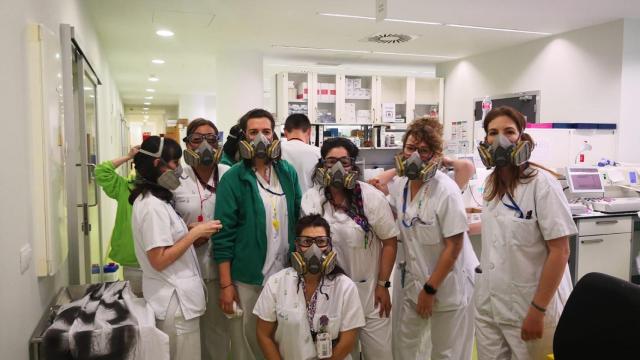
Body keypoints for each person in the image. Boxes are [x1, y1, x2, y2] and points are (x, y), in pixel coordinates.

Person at [474, 106, 576, 360]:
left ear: (521, 138)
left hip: (530, 305)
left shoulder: (542, 184)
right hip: (490, 305)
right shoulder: (490, 185)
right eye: (492, 132)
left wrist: (537, 309)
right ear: (485, 140)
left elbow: (560, 251)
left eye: (509, 131)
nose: (500, 139)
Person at [213, 108, 302, 360]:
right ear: (244, 138)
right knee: (247, 345)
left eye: (266, 131)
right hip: (249, 279)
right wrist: (226, 285)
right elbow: (223, 236)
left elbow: (297, 217)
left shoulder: (287, 173)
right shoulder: (233, 178)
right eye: (253, 132)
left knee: (282, 341)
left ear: (274, 136)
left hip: (285, 275)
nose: (260, 138)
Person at [388, 117, 478, 360]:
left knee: (445, 353)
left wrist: (430, 289)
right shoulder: (400, 185)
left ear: (436, 155)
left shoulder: (446, 190)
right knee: (405, 348)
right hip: (413, 282)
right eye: (410, 148)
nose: (415, 155)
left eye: (424, 150)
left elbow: (454, 245)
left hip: (446, 285)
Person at [301, 137, 398, 360]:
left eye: (344, 162)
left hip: (370, 294)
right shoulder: (312, 199)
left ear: (353, 165)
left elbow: (390, 242)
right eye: (330, 161)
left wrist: (383, 285)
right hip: (330, 295)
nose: (336, 168)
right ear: (322, 165)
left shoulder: (371, 197)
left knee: (380, 354)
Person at [129, 135, 222, 360]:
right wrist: (194, 234)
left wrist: (187, 230)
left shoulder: (157, 200)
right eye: (174, 163)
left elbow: (165, 240)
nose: (179, 170)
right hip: (174, 303)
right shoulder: (152, 207)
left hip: (175, 301)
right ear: (156, 164)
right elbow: (159, 259)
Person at [254, 214, 365, 360]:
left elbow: (347, 341)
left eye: (321, 241)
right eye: (306, 241)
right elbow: (263, 334)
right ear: (297, 246)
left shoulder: (345, 287)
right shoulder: (276, 282)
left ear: (329, 245)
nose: (314, 248)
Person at [173, 118, 231, 360]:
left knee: (218, 335)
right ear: (187, 144)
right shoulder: (176, 176)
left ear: (218, 143)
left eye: (211, 138)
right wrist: (188, 232)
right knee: (187, 339)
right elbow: (162, 219)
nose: (204, 144)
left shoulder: (230, 174)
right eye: (197, 139)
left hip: (221, 270)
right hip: (186, 270)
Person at [95, 146, 142, 294]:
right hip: (133, 261)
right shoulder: (125, 188)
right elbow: (101, 171)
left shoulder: (167, 190)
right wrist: (128, 156)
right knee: (136, 305)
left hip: (162, 261)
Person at [281, 113, 321, 192]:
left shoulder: (276, 151)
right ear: (309, 132)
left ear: (285, 132)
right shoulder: (318, 153)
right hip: (309, 202)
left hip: (283, 203)